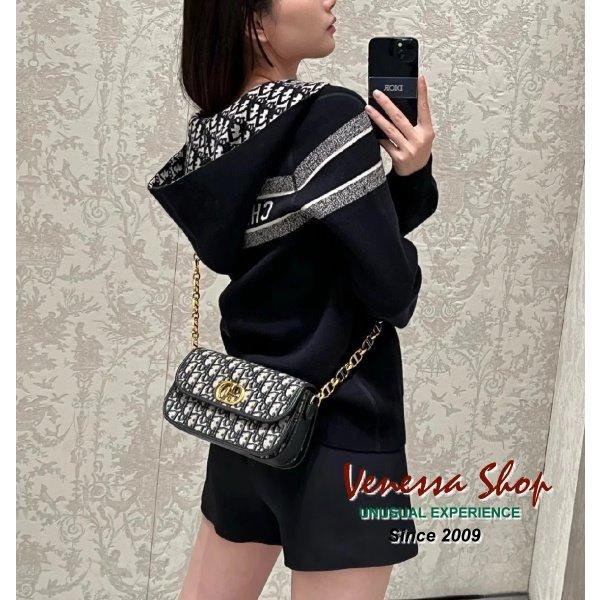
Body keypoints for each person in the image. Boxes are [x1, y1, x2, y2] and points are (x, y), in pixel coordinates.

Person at [146, 0, 438, 598]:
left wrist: (404, 183)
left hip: (247, 420)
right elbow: (393, 291)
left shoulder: (219, 132)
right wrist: (415, 179)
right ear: (254, 21)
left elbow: (310, 255)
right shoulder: (327, 118)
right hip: (340, 432)